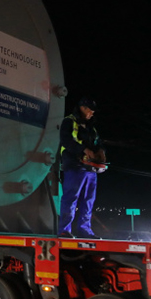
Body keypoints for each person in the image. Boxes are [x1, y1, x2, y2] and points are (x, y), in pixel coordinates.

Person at [58, 97, 106, 238]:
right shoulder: (69, 121)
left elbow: (98, 142)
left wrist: (101, 151)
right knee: (70, 198)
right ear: (82, 108)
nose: (92, 113)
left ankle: (85, 230)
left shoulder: (91, 128)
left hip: (90, 168)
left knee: (88, 200)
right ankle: (64, 230)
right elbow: (66, 140)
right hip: (74, 166)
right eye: (90, 110)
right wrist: (83, 150)